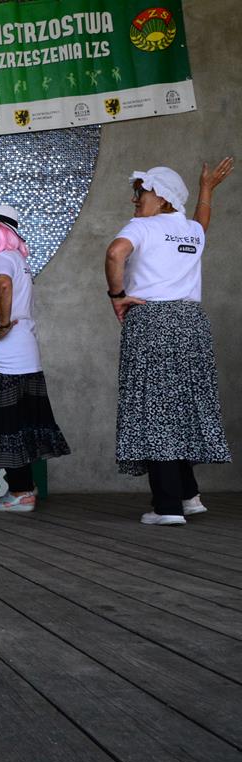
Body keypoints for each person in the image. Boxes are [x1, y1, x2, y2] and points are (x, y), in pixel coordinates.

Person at [104, 159, 233, 525]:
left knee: (154, 409)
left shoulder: (142, 227)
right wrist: (206, 189)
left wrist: (117, 295)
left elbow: (115, 253)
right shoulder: (190, 230)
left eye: (141, 193)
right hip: (191, 324)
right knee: (181, 406)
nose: (135, 200)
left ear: (161, 198)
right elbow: (202, 222)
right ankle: (189, 496)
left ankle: (167, 507)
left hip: (152, 321)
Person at [0, 205, 70, 511]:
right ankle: (25, 487)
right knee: (19, 422)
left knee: (4, 422)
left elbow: (3, 286)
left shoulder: (2, 260)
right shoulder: (18, 261)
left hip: (5, 358)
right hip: (21, 354)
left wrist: (4, 323)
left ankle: (21, 492)